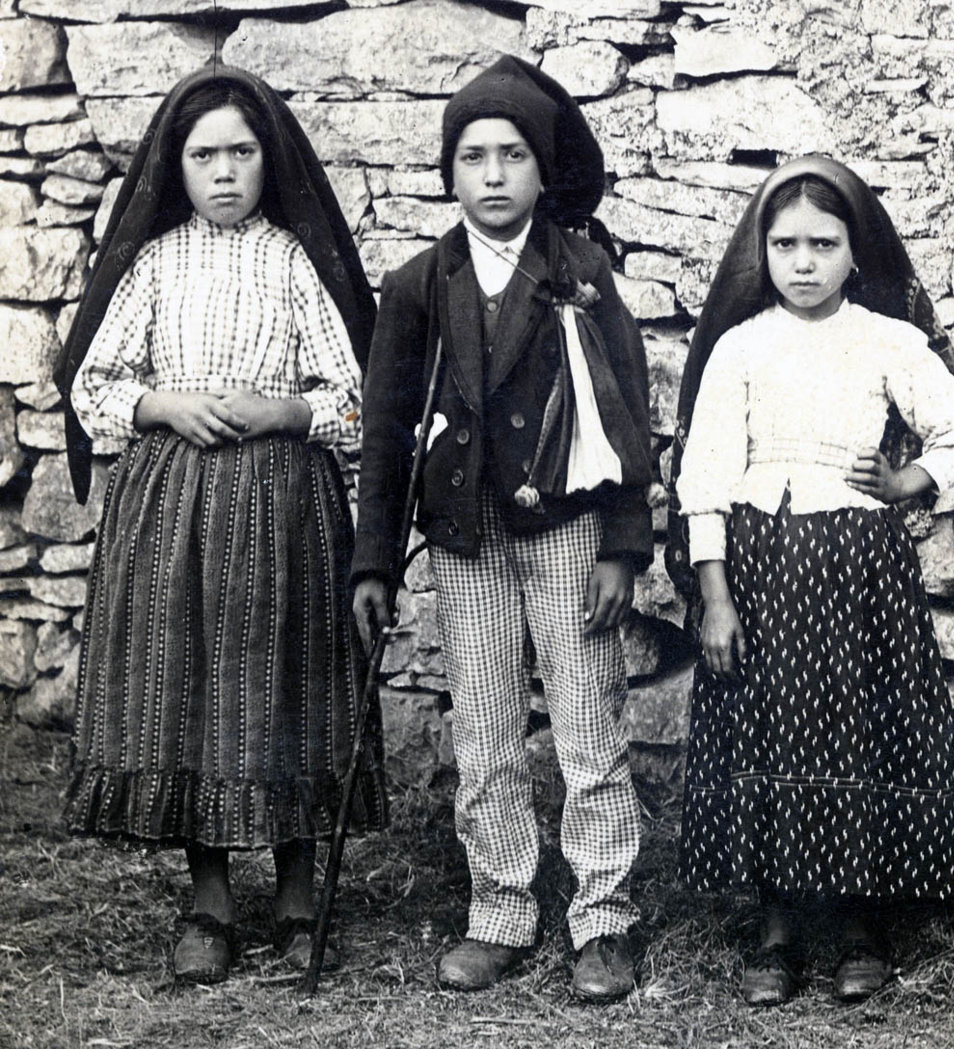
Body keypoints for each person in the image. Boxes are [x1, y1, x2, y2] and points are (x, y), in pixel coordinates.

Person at [54, 66, 387, 984]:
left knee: (286, 681)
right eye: (205, 155)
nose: (226, 171)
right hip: (173, 504)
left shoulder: (291, 260)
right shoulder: (156, 262)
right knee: (188, 682)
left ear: (268, 159)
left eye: (243, 151)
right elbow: (93, 384)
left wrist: (285, 413)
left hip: (284, 503)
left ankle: (295, 888)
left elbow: (354, 396)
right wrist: (162, 403)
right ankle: (207, 898)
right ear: (178, 166)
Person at [351, 55, 653, 1002]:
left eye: (512, 155)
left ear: (541, 168)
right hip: (464, 534)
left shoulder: (581, 270)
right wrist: (374, 560)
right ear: (449, 172)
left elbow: (628, 412)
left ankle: (603, 916)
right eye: (473, 155)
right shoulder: (417, 285)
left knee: (585, 715)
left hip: (566, 528)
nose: (492, 174)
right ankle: (501, 904)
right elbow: (387, 427)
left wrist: (621, 542)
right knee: (483, 723)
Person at [669, 155, 954, 1006]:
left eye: (824, 242)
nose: (804, 262)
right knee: (771, 727)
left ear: (858, 251)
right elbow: (704, 476)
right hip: (759, 566)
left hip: (860, 573)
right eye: (786, 244)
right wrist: (715, 596)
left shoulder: (887, 339)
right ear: (762, 252)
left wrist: (908, 481)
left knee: (855, 725)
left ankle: (859, 919)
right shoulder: (740, 347)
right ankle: (778, 924)